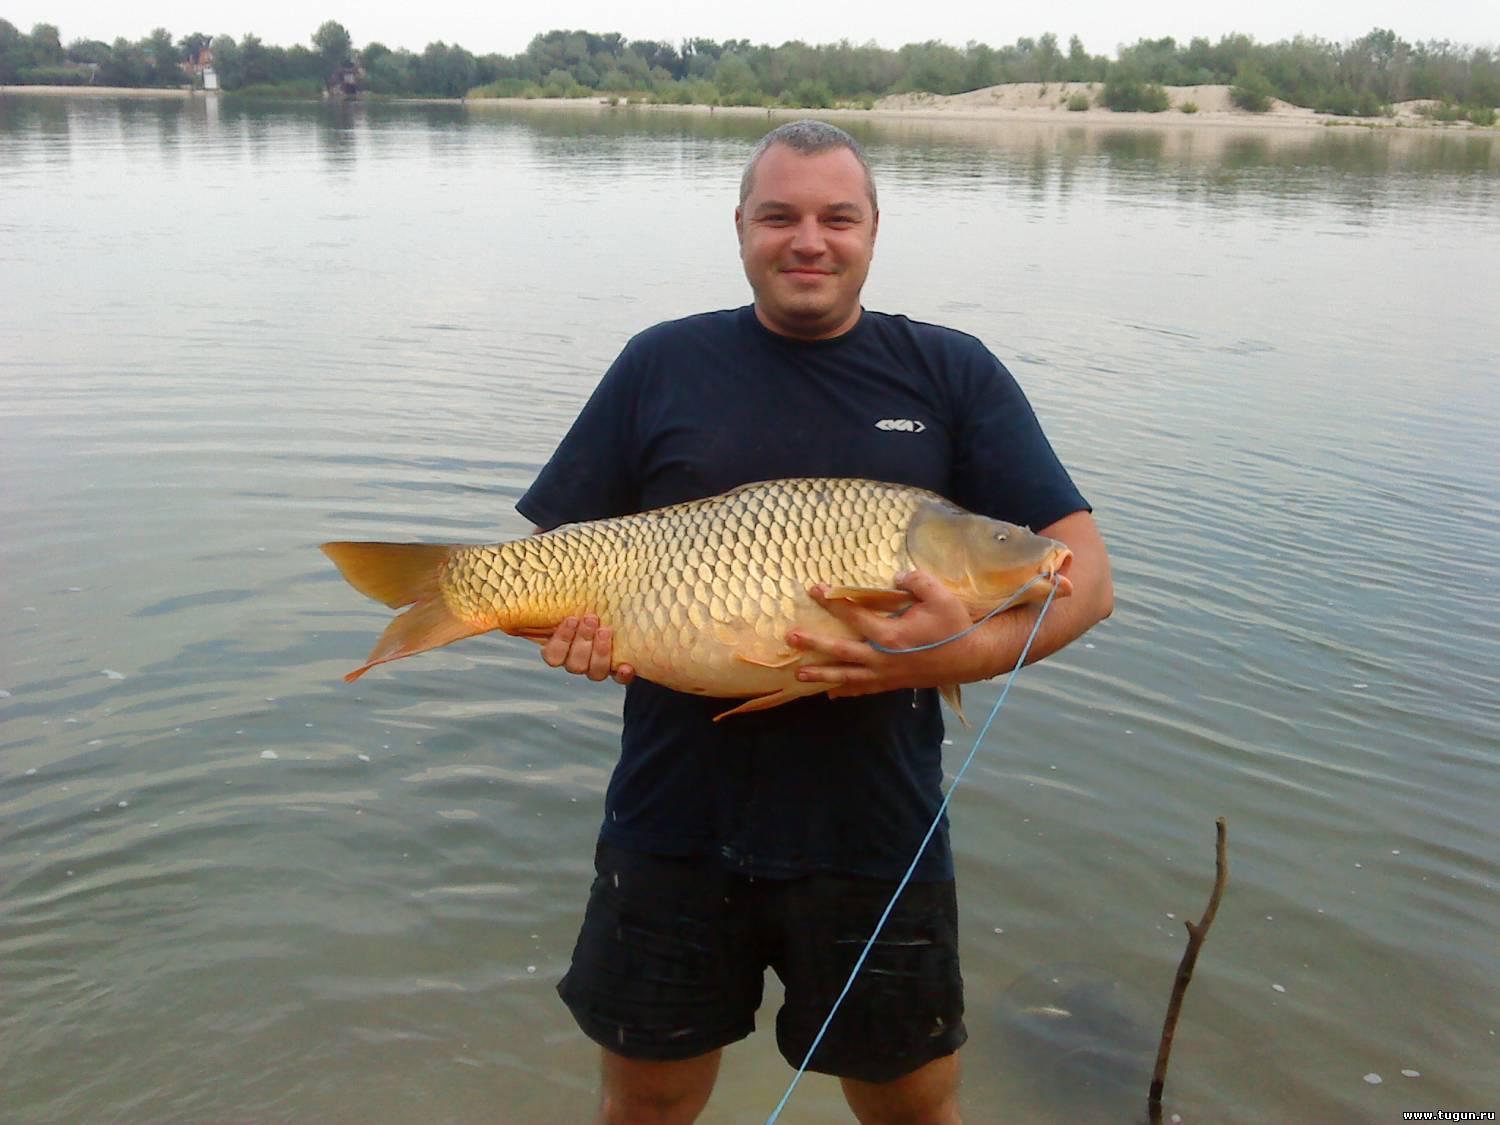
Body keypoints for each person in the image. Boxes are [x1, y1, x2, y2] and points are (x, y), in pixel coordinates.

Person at [517, 120, 1113, 1125]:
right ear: (740, 229)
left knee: (911, 1106)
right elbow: (549, 569)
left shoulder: (951, 373)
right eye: (779, 215)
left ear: (874, 231)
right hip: (672, 821)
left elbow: (1086, 580)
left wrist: (949, 655)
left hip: (873, 827)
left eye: (838, 217)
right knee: (648, 1104)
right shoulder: (661, 364)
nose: (809, 240)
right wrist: (560, 632)